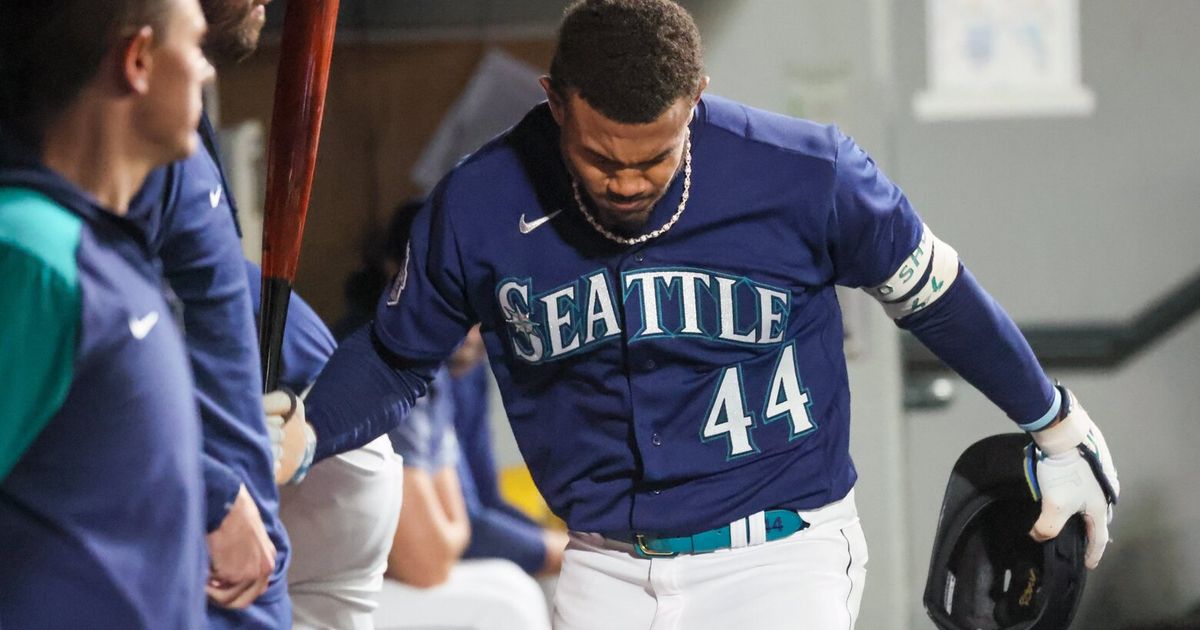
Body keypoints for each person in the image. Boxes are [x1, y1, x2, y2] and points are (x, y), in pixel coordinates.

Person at [291, 1, 1120, 627]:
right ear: (553, 102)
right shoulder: (481, 202)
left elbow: (932, 295)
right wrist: (304, 432)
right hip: (601, 567)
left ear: (697, 98)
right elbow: (400, 356)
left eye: (654, 157)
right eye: (597, 156)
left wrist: (1052, 418)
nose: (624, 181)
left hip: (781, 555)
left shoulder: (806, 173)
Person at [0, 0, 214, 627]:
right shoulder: (30, 255)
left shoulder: (105, 252)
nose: (207, 71)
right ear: (139, 60)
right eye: (196, 47)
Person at [373, 360, 552, 630]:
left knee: (515, 584)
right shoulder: (387, 368)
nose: (470, 333)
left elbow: (469, 515)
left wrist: (448, 537)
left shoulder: (443, 372)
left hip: (380, 577)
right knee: (505, 611)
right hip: (316, 592)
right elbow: (426, 563)